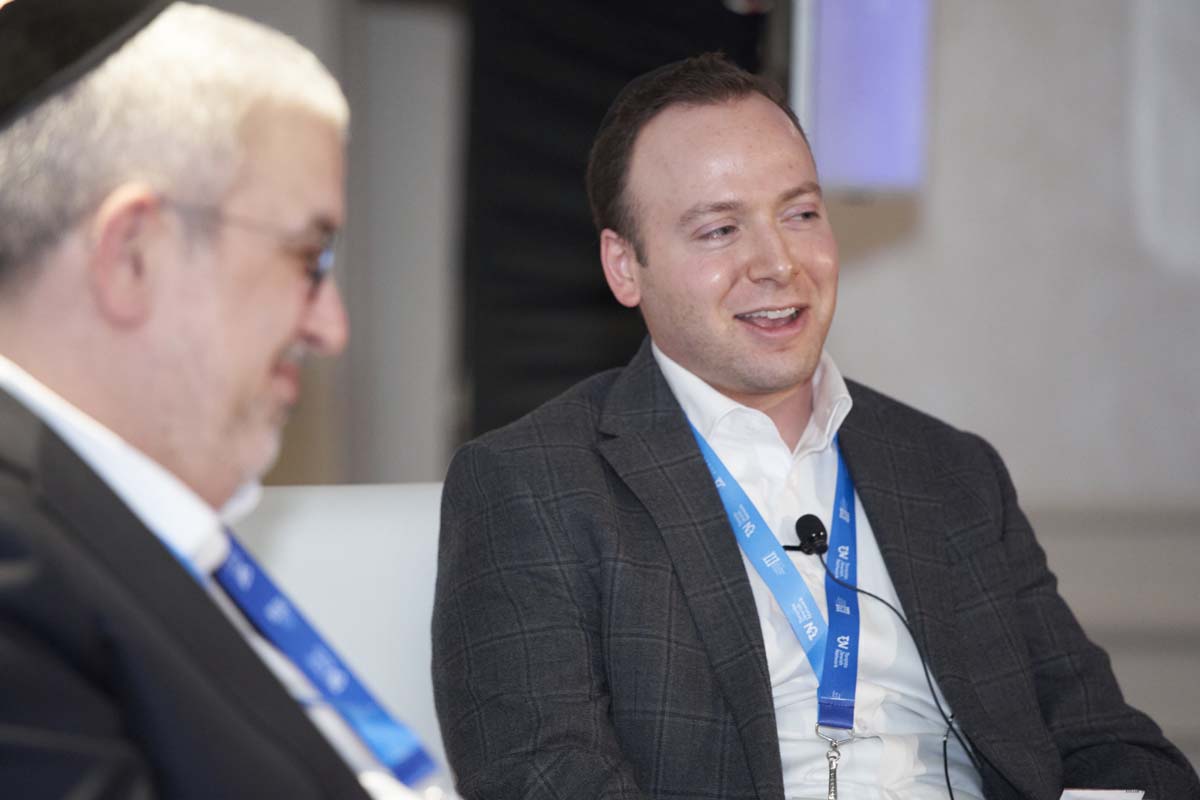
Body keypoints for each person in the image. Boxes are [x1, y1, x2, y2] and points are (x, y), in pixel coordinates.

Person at [432, 54, 1200, 799]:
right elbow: (541, 777)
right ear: (625, 266)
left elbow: (1112, 745)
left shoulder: (951, 472)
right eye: (719, 230)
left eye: (800, 214)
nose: (778, 263)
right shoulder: (534, 485)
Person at [0, 3, 432, 798]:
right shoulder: (17, 565)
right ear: (133, 254)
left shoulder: (102, 532)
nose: (331, 328)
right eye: (309, 256)